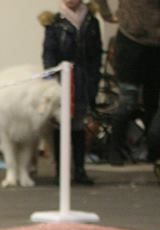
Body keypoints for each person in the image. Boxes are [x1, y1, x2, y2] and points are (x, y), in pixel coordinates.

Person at [93, 0, 160, 174]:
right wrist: (106, 13)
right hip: (130, 42)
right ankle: (114, 150)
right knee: (127, 101)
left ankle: (152, 151)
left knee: (153, 102)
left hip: (156, 44)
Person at [41, 0, 103, 185]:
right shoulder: (53, 22)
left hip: (84, 80)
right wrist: (52, 80)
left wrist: (93, 80)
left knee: (78, 126)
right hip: (62, 79)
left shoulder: (92, 21)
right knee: (60, 126)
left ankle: (80, 170)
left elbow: (96, 54)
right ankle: (61, 172)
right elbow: (48, 53)